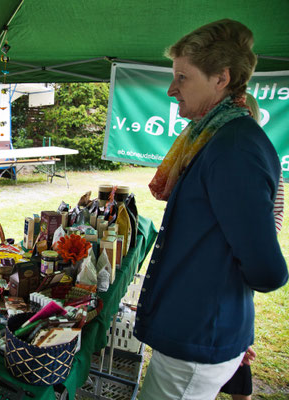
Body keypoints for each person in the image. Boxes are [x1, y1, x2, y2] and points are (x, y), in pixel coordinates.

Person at [137, 19, 288, 399]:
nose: (172, 89)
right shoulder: (215, 135)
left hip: (199, 333)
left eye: (183, 78)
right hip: (192, 327)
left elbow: (268, 270)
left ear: (221, 79)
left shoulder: (233, 148)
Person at [218, 93, 285, 400]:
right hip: (222, 274)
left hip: (233, 273)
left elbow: (268, 230)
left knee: (235, 349)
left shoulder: (253, 157)